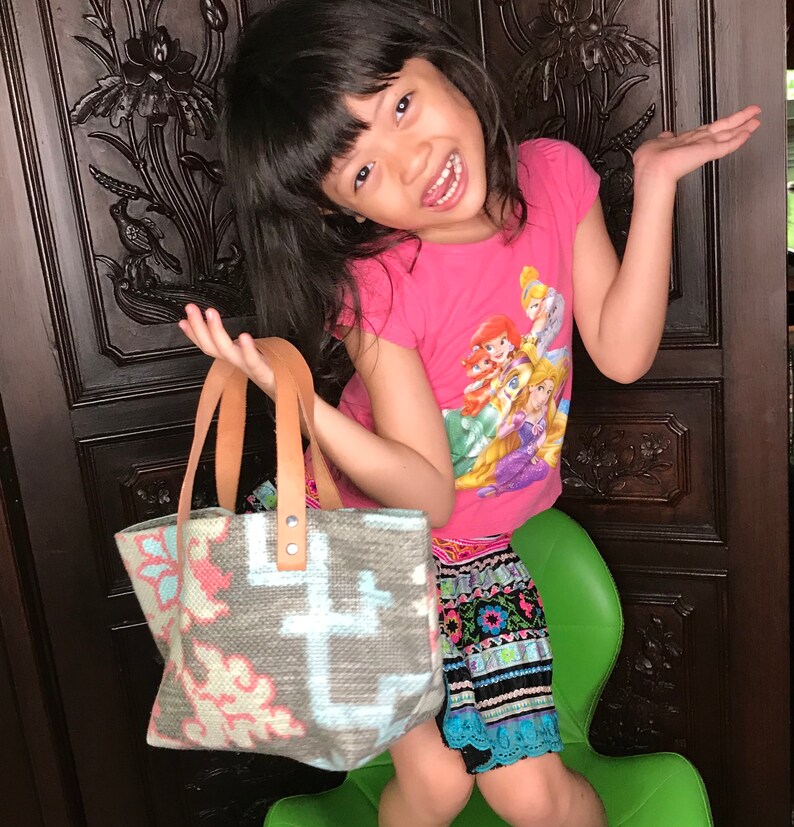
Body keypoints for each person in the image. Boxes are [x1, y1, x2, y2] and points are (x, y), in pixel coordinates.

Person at [178, 1, 760, 824]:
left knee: (534, 794)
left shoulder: (555, 177)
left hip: (475, 549)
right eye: (363, 172)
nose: (412, 162)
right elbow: (425, 492)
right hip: (358, 544)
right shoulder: (381, 286)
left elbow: (621, 350)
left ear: (439, 65)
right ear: (341, 210)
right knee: (440, 782)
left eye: (401, 107)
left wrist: (656, 181)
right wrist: (301, 404)